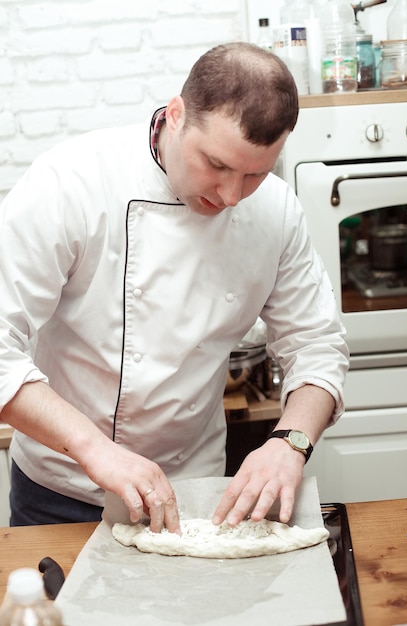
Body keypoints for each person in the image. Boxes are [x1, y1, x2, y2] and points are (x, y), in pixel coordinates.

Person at [0, 42, 349, 531]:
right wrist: (95, 449)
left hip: (195, 493)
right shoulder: (70, 184)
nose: (231, 196)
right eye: (218, 165)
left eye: (254, 174)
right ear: (176, 114)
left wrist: (289, 443)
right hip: (60, 490)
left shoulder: (276, 211)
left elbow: (316, 344)